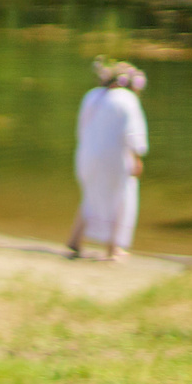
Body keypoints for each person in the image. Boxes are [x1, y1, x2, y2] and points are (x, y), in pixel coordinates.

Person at [70, 58, 150, 262]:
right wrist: (137, 157)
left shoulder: (92, 95)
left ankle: (75, 239)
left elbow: (81, 128)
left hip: (86, 155)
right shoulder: (127, 99)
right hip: (113, 158)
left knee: (91, 196)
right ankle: (113, 248)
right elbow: (134, 133)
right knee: (121, 198)